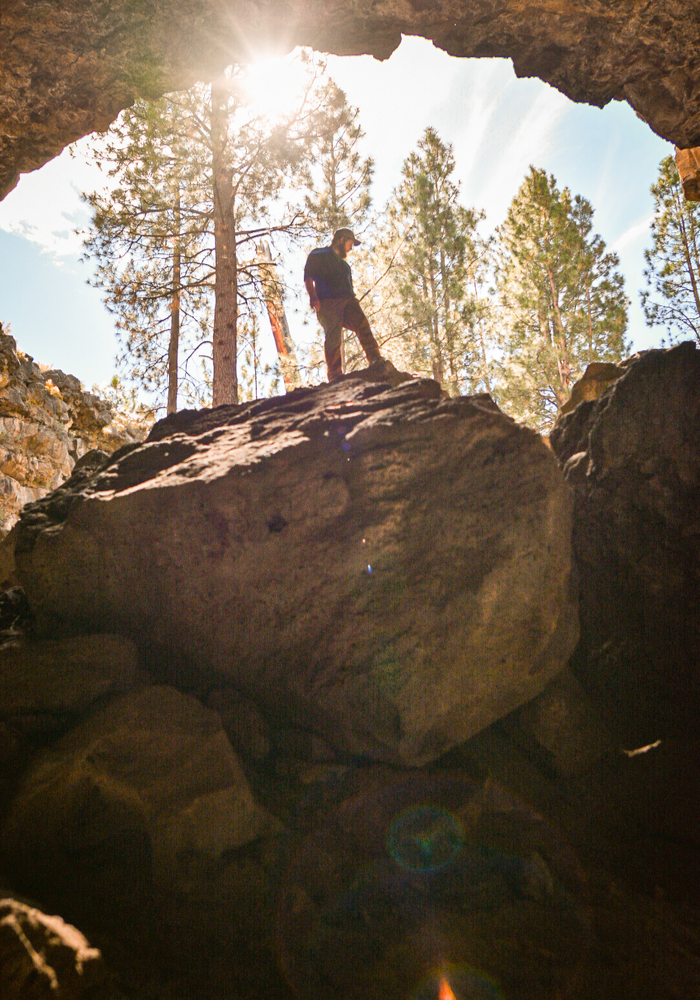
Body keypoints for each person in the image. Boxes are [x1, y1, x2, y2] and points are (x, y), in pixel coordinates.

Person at [304, 228, 384, 381]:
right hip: (327, 303)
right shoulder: (318, 254)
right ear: (341, 240)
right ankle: (335, 375)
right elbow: (308, 277)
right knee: (333, 337)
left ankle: (375, 359)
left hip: (348, 301)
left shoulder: (345, 266)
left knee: (362, 324)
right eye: (350, 243)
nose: (351, 248)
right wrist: (313, 296)